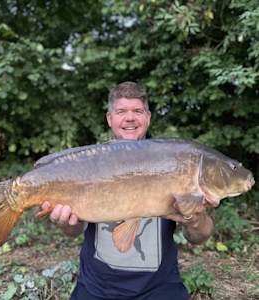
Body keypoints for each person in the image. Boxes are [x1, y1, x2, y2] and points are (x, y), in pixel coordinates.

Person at [41, 81, 214, 300]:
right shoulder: (89, 163)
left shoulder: (173, 161)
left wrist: (195, 219)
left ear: (148, 117)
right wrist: (66, 224)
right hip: (97, 287)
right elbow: (75, 230)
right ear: (109, 118)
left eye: (137, 111)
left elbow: (200, 236)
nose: (130, 118)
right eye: (121, 111)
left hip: (159, 288)